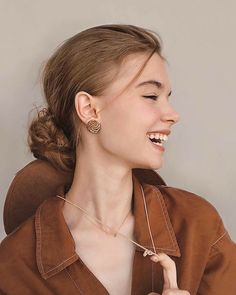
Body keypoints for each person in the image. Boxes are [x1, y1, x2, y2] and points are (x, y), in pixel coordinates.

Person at [0, 23, 235, 295]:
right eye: (150, 96)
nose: (172, 114)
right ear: (89, 109)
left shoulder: (197, 226)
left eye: (167, 97)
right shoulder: (13, 268)